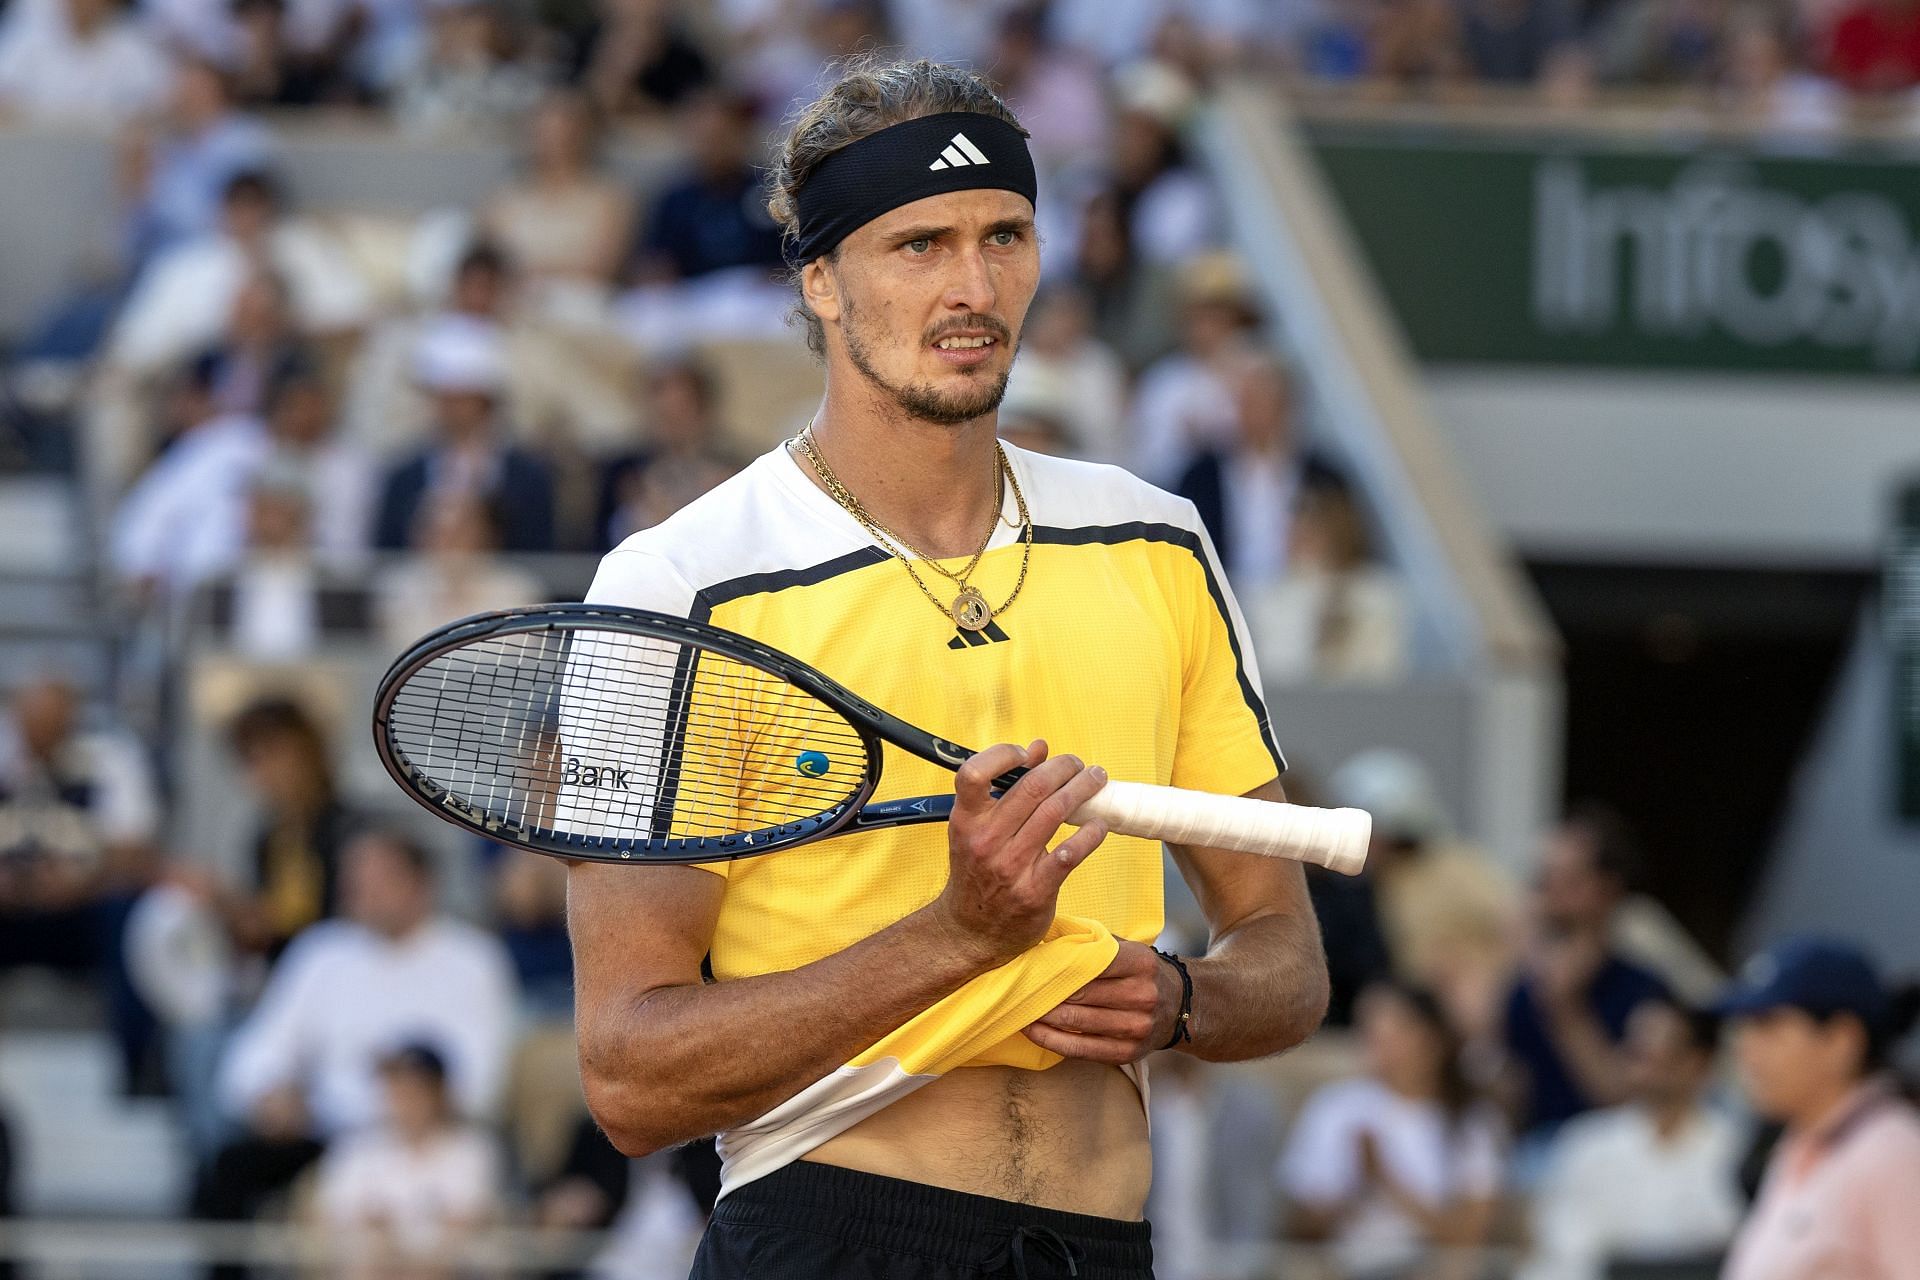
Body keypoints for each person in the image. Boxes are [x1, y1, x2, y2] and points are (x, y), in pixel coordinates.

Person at [569, 56, 1327, 1280]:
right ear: (819, 279)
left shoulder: (1157, 539)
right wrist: (958, 935)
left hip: (1104, 1245)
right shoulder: (677, 585)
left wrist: (1186, 1001)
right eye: (918, 245)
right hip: (826, 1237)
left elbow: (1286, 961)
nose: (974, 287)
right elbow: (627, 1075)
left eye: (1004, 236)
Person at [194, 830, 516, 1272]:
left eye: (378, 878)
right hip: (327, 1135)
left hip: (433, 1137)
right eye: (354, 878)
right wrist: (271, 1094)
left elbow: (482, 1080)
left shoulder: (473, 959)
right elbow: (254, 1056)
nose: (360, 891)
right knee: (229, 1171)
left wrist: (403, 1106)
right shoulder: (321, 954)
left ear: (421, 884)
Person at [1718, 937, 1920, 1280]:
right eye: (1744, 1028)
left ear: (1842, 1040)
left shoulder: (1892, 1152)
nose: (1745, 1049)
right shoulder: (1797, 1144)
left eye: (1768, 1026)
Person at [1279, 981, 1506, 1280]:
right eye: (1370, 1032)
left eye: (1393, 1032)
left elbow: (1469, 1237)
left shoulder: (1472, 1121)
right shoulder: (1334, 1107)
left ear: (1432, 1039)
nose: (1378, 1044)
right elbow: (1298, 1226)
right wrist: (1350, 1190)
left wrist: (1385, 1179)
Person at [1522, 998, 1744, 1280]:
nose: (1641, 1054)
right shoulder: (1585, 1146)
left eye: (1657, 1045)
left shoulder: (1737, 1150)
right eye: (1635, 1044)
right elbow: (1562, 1257)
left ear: (1698, 1063)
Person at [1501, 805, 1671, 1141]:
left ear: (1609, 889)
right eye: (1544, 881)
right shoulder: (1522, 985)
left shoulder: (1645, 991)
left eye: (1571, 881)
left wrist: (1565, 1007)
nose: (1552, 897)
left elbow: (1624, 1105)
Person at [312, 1041, 505, 1277]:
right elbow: (331, 1219)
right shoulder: (357, 1149)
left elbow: (463, 1227)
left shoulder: (471, 1150)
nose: (403, 1100)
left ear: (440, 1093)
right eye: (395, 1087)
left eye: (414, 1090)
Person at [373, 317, 555, 552]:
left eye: (460, 398)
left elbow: (538, 551)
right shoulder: (403, 476)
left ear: (486, 401)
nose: (449, 408)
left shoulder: (529, 477)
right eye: (442, 397)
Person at [594, 356, 743, 548]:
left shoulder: (736, 473)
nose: (670, 425)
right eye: (662, 415)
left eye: (680, 412)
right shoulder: (621, 474)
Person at [0, 0, 174, 129]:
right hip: (39, 154)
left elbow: (157, 107)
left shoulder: (134, 48)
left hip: (110, 160)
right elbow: (5, 99)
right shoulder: (29, 40)